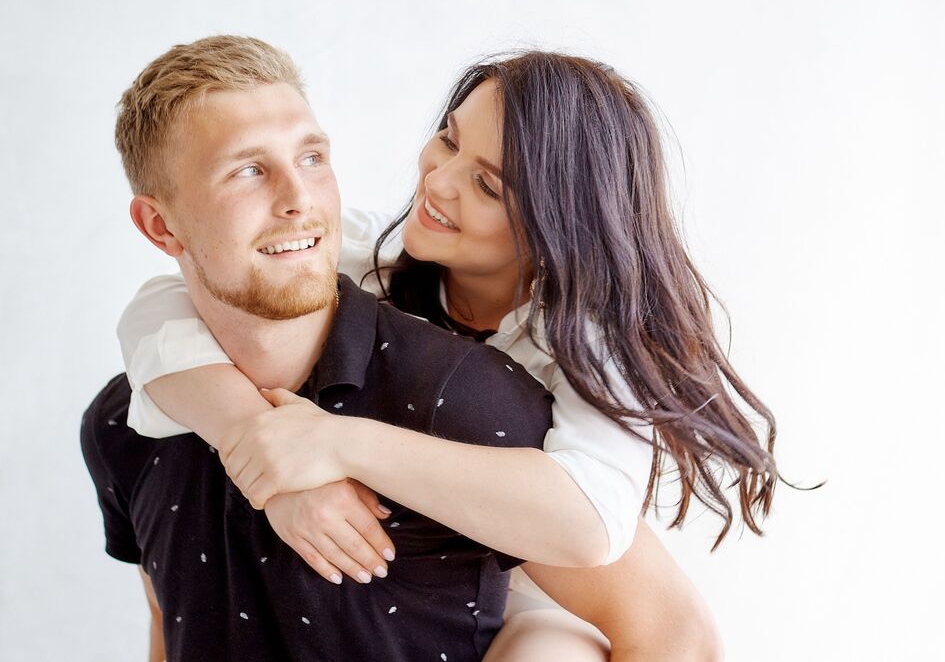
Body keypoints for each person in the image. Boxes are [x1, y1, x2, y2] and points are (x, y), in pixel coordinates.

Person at [114, 46, 781, 660]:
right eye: (449, 140)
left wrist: (335, 446)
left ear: (557, 222)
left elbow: (594, 527)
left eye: (488, 185)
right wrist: (266, 453)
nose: (437, 183)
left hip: (547, 592)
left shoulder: (588, 336)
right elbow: (162, 305)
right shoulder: (369, 255)